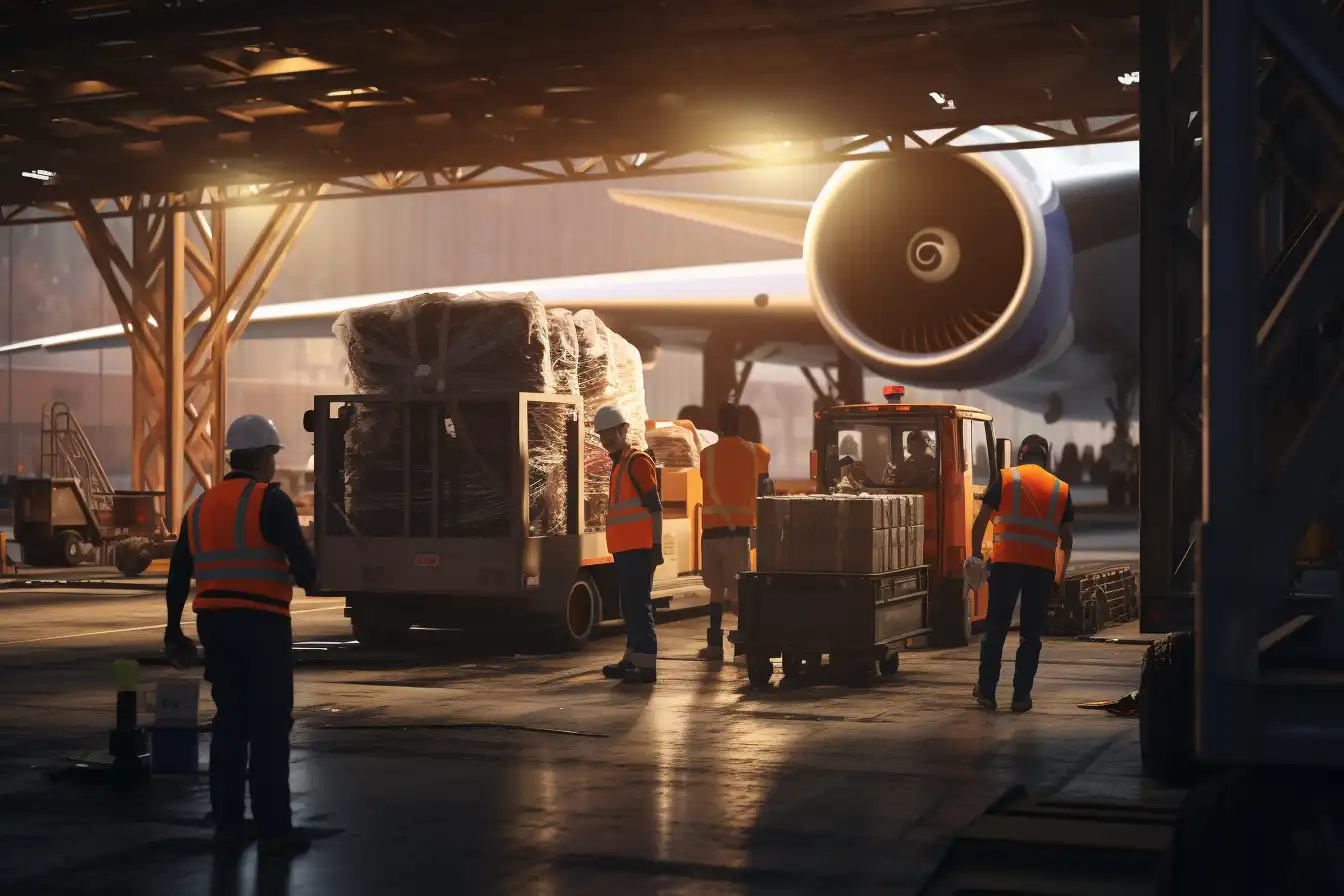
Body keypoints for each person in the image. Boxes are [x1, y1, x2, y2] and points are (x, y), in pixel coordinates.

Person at [161, 414, 318, 854]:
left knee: (230, 722)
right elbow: (302, 563)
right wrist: (316, 580)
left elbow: (177, 573)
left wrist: (173, 630)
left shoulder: (201, 505)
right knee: (269, 726)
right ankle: (275, 830)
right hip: (262, 624)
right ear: (266, 457)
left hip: (215, 624)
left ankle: (228, 823)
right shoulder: (271, 501)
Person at [968, 434, 1074, 714]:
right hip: (1041, 569)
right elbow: (1067, 539)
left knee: (996, 629)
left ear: (1021, 455)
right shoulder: (1060, 488)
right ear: (1045, 457)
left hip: (1006, 564)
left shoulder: (1005, 478)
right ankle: (1021, 697)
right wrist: (1059, 579)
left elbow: (981, 520)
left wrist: (976, 555)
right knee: (1031, 635)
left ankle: (987, 693)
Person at [594, 404, 663, 684]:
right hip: (623, 549)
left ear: (624, 430)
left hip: (639, 549)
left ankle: (646, 667)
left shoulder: (637, 462)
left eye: (611, 431)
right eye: (602, 434)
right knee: (630, 607)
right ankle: (631, 659)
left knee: (639, 606)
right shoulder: (619, 466)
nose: (607, 438)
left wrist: (656, 548)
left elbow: (655, 509)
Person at [696, 403, 770, 661]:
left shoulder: (707, 455)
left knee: (715, 591)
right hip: (739, 534)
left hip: (711, 534)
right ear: (740, 424)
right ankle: (742, 647)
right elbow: (765, 490)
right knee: (739, 593)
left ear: (719, 424)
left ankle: (714, 646)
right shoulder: (757, 452)